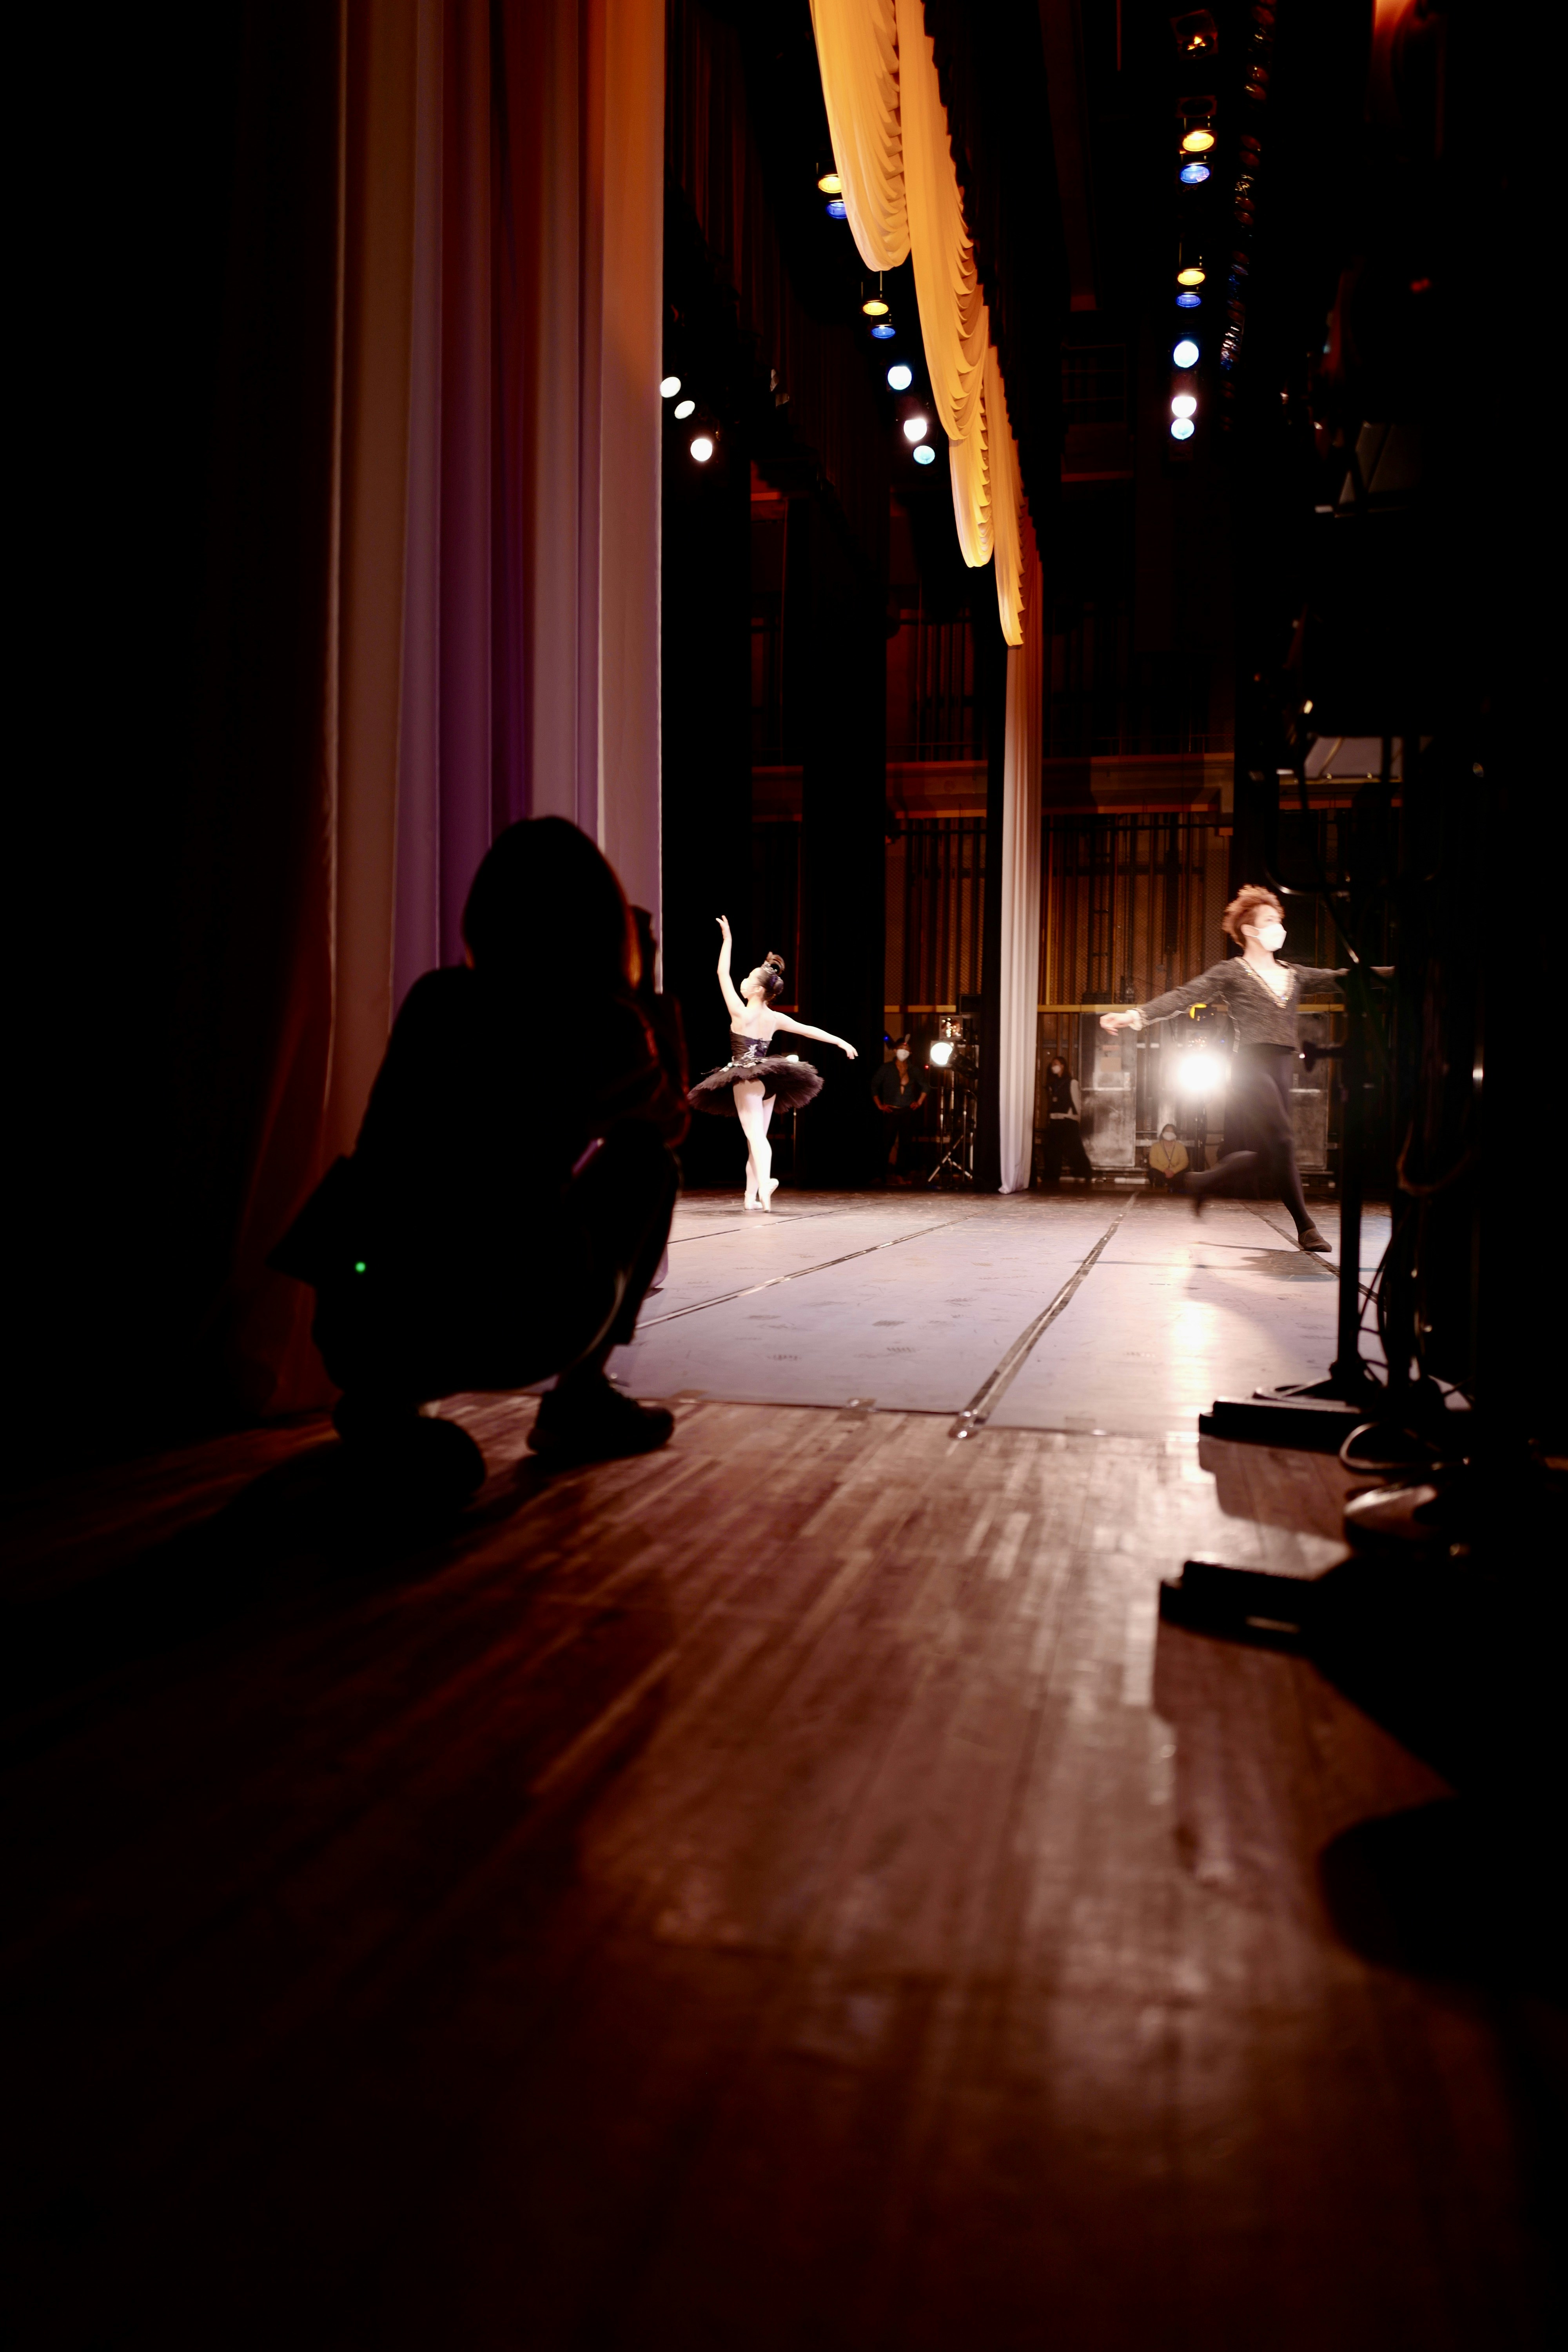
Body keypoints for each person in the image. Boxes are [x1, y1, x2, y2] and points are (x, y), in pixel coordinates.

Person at [271, 817, 688, 1495]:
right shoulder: (600, 1021)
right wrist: (643, 1001)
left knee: (429, 1207)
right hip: (508, 1315)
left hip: (358, 1309)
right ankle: (577, 1401)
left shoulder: (436, 1000)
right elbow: (668, 1124)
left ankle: (385, 1396)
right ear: (602, 920)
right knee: (646, 1162)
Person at [1099, 883, 1338, 1251]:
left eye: (1279, 920)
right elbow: (1185, 996)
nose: (1280, 926)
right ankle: (1307, 1228)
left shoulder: (1294, 974)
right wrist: (1136, 1015)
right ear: (1250, 930)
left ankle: (1202, 1183)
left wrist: (1399, 974)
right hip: (1249, 1068)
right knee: (1286, 1141)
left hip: (1280, 1067)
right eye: (1271, 920)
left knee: (1273, 1154)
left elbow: (1342, 979)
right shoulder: (1233, 972)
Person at [686, 916, 858, 1209]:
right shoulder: (774, 1017)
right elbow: (809, 1030)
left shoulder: (741, 1013)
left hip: (745, 1079)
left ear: (755, 990)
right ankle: (751, 1198)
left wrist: (728, 940)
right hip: (769, 1082)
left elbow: (721, 974)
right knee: (757, 1140)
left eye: (749, 978)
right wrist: (841, 1041)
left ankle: (765, 1185)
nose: (744, 980)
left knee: (755, 1138)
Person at [870, 1036, 928, 1183]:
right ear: (895, 1051)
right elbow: (874, 1086)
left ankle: (900, 1174)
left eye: (907, 1050)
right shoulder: (886, 1069)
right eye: (902, 1050)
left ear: (910, 1053)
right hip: (891, 1111)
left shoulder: (913, 1070)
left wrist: (919, 1102)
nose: (904, 1052)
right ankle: (880, 1174)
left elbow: (925, 1087)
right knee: (886, 1143)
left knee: (906, 1144)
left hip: (907, 1111)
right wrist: (879, 1105)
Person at [1041, 1052, 1094, 1184]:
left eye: (1056, 1065)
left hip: (1068, 1119)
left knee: (1075, 1148)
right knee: (1052, 1150)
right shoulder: (1053, 1084)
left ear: (1063, 1066)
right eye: (1053, 1065)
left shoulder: (1072, 1082)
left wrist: (1077, 1119)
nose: (1053, 1067)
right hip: (1055, 1120)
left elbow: (1076, 1101)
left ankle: (1085, 1173)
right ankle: (1051, 1176)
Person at [1147, 1123, 1190, 1191]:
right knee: (1152, 1172)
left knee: (1185, 1173)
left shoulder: (1180, 1146)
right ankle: (1168, 1184)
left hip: (1176, 1173)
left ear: (1175, 1135)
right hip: (1162, 1172)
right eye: (1167, 1131)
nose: (1169, 1133)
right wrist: (1166, 1171)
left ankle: (1168, 1184)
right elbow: (1153, 1162)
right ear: (1163, 1133)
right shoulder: (1155, 1146)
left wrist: (1173, 1171)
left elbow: (1185, 1162)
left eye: (1172, 1132)